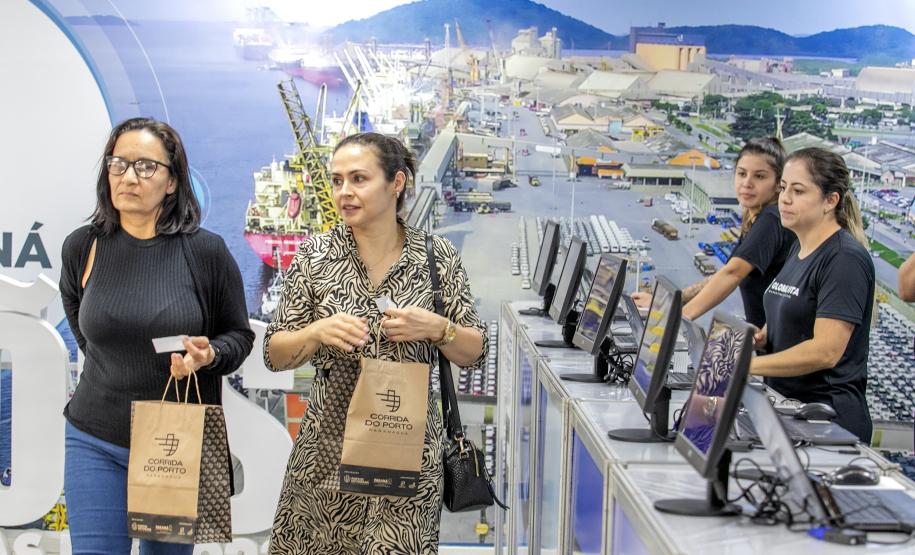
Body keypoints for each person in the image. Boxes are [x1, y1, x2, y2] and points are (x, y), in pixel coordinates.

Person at [265, 132, 487, 554]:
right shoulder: (315, 257)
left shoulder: (437, 259)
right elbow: (274, 354)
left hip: (406, 453)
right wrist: (315, 333)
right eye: (336, 181)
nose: (343, 192)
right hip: (326, 452)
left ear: (396, 183)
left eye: (358, 179)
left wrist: (438, 329)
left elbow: (475, 352)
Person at [59, 117, 254, 553]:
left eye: (146, 166)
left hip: (173, 446)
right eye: (118, 164)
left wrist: (209, 355)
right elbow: (87, 338)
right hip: (93, 437)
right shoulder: (82, 247)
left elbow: (238, 336)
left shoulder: (205, 253)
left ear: (171, 182)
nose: (129, 176)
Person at [751, 147, 875, 442]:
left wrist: (747, 367)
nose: (785, 199)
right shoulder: (800, 247)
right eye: (783, 188)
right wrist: (764, 335)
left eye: (798, 191)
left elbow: (826, 351)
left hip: (827, 420)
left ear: (830, 200)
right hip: (790, 410)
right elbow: (797, 310)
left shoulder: (844, 259)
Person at [632, 138, 794, 328]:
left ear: (778, 184)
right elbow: (720, 276)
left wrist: (678, 316)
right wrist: (665, 303)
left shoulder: (771, 219)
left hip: (779, 348)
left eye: (759, 176)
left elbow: (732, 274)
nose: (747, 183)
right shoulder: (755, 219)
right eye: (742, 173)